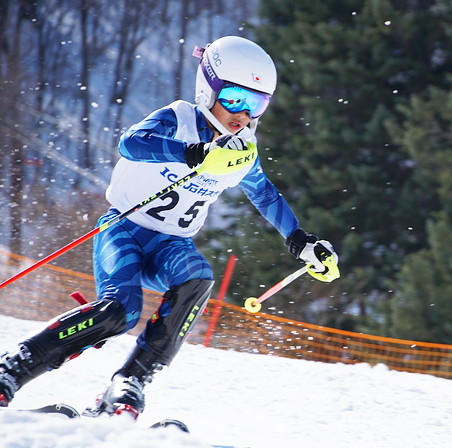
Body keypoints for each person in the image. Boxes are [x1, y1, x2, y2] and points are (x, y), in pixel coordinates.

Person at [0, 36, 339, 418]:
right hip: (125, 230)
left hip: (171, 246)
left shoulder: (242, 150)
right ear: (207, 88)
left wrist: (300, 241)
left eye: (256, 103)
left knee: (198, 277)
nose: (243, 114)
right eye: (234, 98)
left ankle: (129, 382)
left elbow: (263, 194)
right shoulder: (178, 118)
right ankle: (11, 368)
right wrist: (192, 153)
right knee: (119, 313)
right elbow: (131, 143)